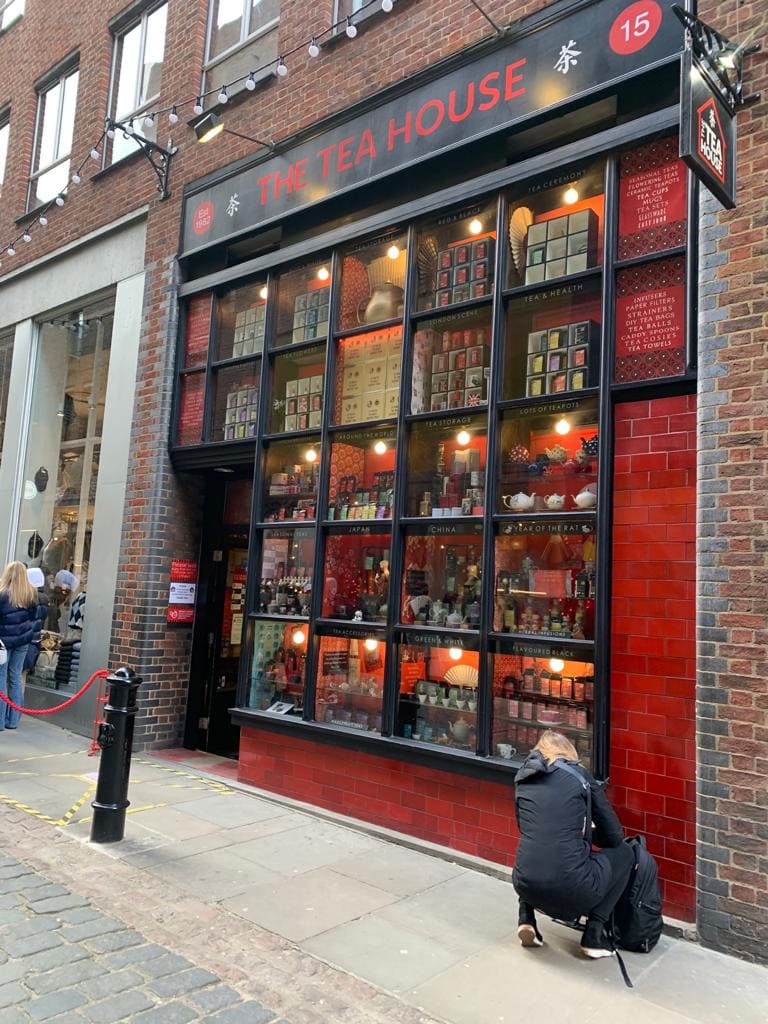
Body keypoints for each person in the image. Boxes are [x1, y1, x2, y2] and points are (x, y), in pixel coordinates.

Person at [512, 730, 634, 959]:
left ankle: (525, 918)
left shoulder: (523, 777)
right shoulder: (580, 776)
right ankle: (594, 933)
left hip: (524, 883)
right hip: (573, 887)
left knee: (536, 850)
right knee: (625, 854)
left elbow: (526, 827)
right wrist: (588, 833)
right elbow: (615, 836)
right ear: (569, 752)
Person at [0, 561, 39, 731]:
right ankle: (13, 720)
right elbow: (33, 617)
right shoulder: (30, 594)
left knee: (1, 678)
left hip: (3, 642)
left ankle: (0, 721)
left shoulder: (2, 594)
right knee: (15, 677)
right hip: (23, 640)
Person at [24, 567, 50, 676]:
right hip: (35, 638)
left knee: (15, 671)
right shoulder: (45, 598)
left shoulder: (28, 596)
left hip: (24, 638)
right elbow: (43, 616)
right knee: (23, 672)